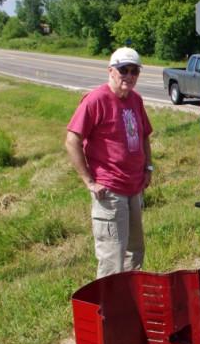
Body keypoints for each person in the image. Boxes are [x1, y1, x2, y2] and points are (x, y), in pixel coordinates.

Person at [65, 47, 153, 278]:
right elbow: (72, 140)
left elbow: (144, 135)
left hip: (134, 187)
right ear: (111, 71)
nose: (130, 76)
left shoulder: (136, 100)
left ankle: (130, 305)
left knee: (135, 252)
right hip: (109, 189)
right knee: (112, 257)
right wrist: (89, 181)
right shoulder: (96, 99)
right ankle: (108, 310)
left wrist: (149, 168)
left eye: (135, 71)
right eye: (124, 70)